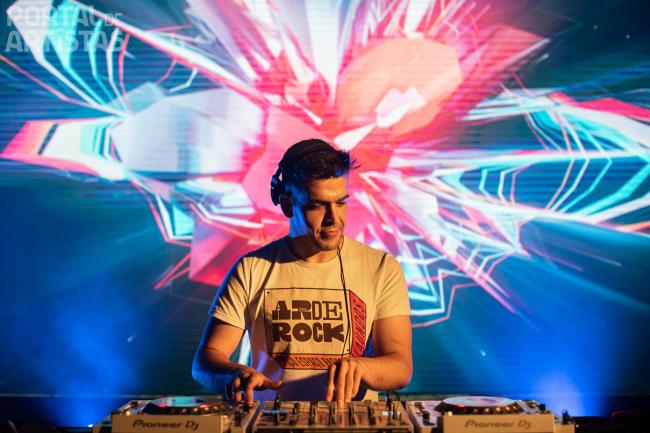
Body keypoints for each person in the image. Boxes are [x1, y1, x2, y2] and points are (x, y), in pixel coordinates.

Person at [192, 138, 412, 406]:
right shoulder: (251, 269)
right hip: (272, 420)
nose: (334, 219)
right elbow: (205, 362)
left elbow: (400, 367)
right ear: (287, 204)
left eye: (340, 203)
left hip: (352, 422)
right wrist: (231, 373)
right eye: (317, 205)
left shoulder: (381, 268)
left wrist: (361, 368)